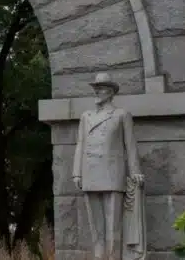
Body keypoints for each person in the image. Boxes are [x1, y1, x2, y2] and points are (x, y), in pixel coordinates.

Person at [72, 73, 145, 260]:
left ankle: (113, 258)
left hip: (112, 173)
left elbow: (130, 145)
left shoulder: (121, 115)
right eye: (95, 87)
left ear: (111, 92)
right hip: (90, 172)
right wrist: (76, 173)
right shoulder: (86, 116)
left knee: (113, 225)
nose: (97, 90)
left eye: (102, 87)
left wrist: (135, 171)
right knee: (95, 225)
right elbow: (80, 143)